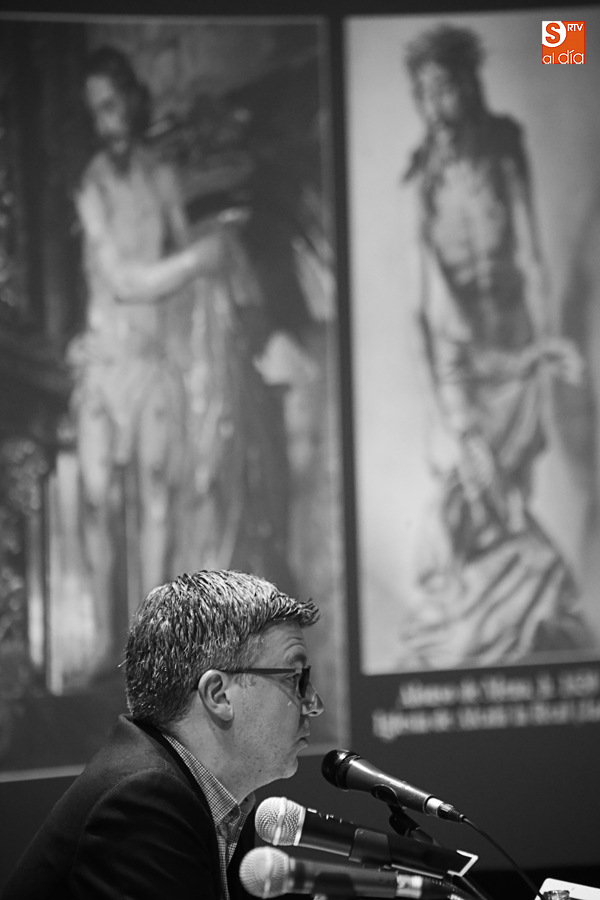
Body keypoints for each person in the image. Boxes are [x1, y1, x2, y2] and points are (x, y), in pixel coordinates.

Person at [65, 46, 265, 672]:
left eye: (113, 102)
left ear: (131, 99)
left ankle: (147, 641)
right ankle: (102, 636)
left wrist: (212, 287)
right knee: (96, 498)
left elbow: (185, 259)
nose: (108, 118)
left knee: (157, 494)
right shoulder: (91, 185)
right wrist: (197, 260)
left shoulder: (161, 176)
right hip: (106, 360)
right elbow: (124, 280)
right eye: (96, 109)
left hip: (151, 358)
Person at [400, 25, 594, 669]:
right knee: (473, 493)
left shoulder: (504, 149)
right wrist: (442, 406)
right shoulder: (422, 181)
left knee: (512, 492)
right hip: (461, 361)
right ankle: (477, 629)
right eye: (424, 93)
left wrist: (547, 342)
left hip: (515, 343)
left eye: (445, 88)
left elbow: (532, 257)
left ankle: (523, 634)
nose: (436, 105)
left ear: (468, 84)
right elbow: (423, 307)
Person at [0, 569, 323, 900]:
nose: (314, 703)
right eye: (294, 678)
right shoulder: (143, 802)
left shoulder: (223, 806)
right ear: (218, 695)